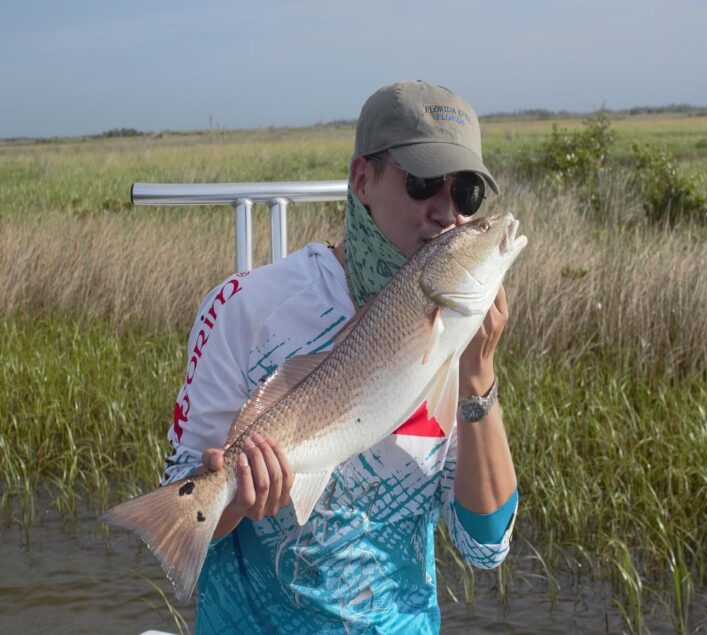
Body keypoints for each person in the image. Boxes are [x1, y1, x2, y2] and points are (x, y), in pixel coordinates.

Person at [163, 80, 519, 634]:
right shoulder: (245, 307)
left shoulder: (459, 329)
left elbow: (484, 545)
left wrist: (478, 379)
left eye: (466, 195)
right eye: (423, 182)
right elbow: (184, 509)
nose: (445, 212)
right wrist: (238, 500)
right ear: (362, 179)